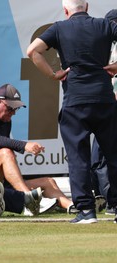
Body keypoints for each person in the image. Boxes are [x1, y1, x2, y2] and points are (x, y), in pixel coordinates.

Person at [27, 0, 117, 224]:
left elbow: (32, 51)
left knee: (78, 158)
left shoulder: (59, 27)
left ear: (66, 11)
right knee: (114, 155)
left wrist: (52, 75)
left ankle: (86, 211)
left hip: (75, 100)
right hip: (104, 98)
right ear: (86, 7)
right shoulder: (105, 25)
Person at [0, 84, 73, 215]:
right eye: (10, 108)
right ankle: (28, 200)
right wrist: (24, 145)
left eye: (16, 109)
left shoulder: (5, 121)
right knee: (6, 153)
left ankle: (72, 206)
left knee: (48, 181)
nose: (13, 113)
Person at [90, 9, 117, 215]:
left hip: (108, 105)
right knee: (99, 157)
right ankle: (106, 197)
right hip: (104, 104)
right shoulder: (103, 45)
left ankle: (111, 201)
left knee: (103, 155)